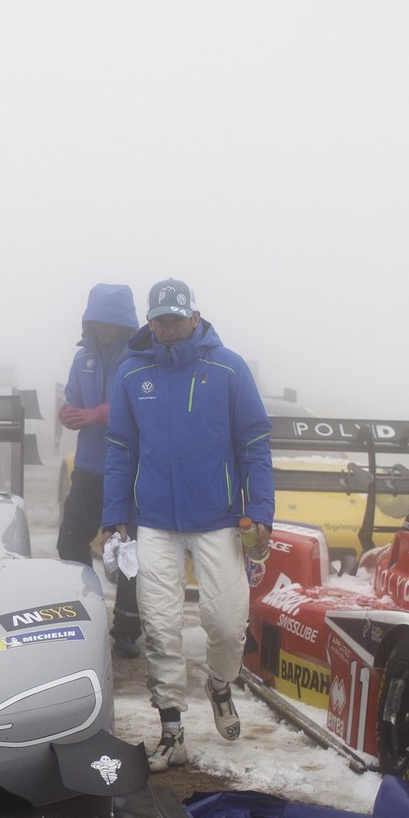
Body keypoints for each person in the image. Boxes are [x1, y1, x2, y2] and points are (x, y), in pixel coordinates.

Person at [100, 277, 273, 771]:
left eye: (177, 318)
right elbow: (120, 450)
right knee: (160, 626)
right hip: (154, 519)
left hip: (217, 518)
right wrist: (116, 518)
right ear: (149, 321)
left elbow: (255, 444)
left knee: (225, 624)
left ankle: (220, 684)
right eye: (160, 319)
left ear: (195, 317)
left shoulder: (228, 368)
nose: (169, 328)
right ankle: (171, 729)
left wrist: (260, 511)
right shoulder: (133, 373)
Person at [56, 283, 143, 657]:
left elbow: (142, 407)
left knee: (128, 551)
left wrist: (97, 414)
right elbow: (73, 399)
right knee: (69, 542)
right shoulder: (82, 359)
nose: (104, 329)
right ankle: (84, 615)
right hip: (89, 466)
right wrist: (69, 413)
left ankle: (127, 631)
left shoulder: (140, 359)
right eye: (98, 322)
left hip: (129, 469)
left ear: (125, 324)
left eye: (112, 323)